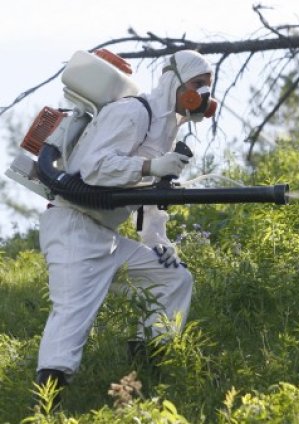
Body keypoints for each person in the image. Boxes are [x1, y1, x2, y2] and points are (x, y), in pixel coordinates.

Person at [34, 49, 214, 401]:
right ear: (174, 82)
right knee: (71, 316)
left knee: (173, 278)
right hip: (73, 227)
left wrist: (157, 240)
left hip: (107, 237)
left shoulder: (164, 132)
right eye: (197, 85)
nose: (203, 96)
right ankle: (44, 405)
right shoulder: (132, 112)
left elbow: (147, 197)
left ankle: (147, 361)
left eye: (208, 87)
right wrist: (150, 168)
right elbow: (94, 170)